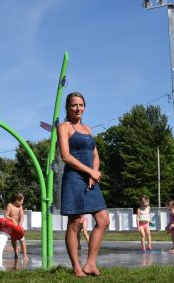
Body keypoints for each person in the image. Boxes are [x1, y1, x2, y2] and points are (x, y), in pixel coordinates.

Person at [57, 92, 110, 277]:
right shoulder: (64, 127)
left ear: (84, 107)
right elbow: (66, 156)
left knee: (103, 220)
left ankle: (90, 263)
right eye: (74, 105)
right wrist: (89, 171)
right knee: (75, 223)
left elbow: (95, 155)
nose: (78, 108)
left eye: (81, 105)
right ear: (67, 108)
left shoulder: (88, 129)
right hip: (73, 178)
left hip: (90, 179)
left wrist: (94, 173)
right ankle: (76, 267)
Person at [4, 192, 29, 260]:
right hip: (11, 227)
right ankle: (16, 253)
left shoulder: (20, 206)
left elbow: (22, 216)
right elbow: (6, 216)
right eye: (22, 200)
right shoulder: (10, 205)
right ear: (17, 200)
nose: (23, 202)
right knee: (14, 240)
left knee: (22, 240)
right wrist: (12, 219)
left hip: (18, 226)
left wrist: (20, 225)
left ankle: (25, 255)